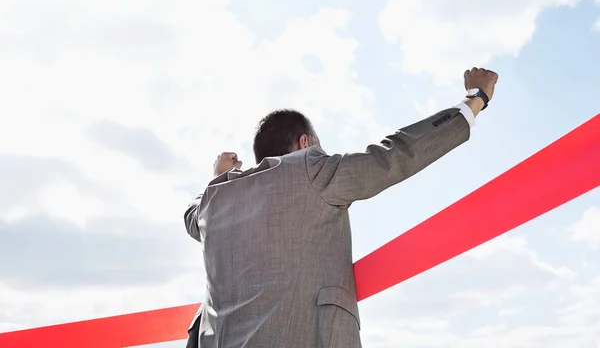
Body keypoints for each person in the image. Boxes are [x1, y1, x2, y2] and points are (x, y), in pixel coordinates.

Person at [184, 67, 498, 347]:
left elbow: (192, 216)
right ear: (306, 144)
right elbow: (393, 156)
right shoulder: (311, 169)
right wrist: (475, 99)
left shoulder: (215, 200)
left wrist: (220, 178)